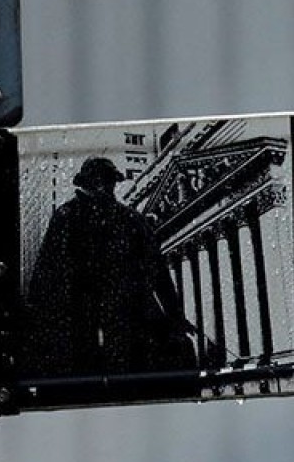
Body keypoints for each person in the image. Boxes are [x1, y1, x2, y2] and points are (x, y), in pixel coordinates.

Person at [25, 157, 197, 377]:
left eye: (108, 182)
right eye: (100, 181)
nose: (105, 187)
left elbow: (158, 271)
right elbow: (46, 272)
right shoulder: (69, 217)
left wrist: (175, 316)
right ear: (87, 183)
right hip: (85, 318)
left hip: (122, 317)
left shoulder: (128, 219)